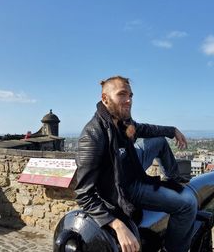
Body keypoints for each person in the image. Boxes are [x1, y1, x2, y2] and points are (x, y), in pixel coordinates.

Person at [75, 76, 197, 252]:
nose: (129, 100)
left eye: (131, 95)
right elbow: (83, 195)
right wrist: (116, 225)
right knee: (187, 204)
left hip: (128, 164)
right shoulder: (92, 135)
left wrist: (172, 130)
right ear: (105, 98)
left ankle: (174, 178)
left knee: (159, 140)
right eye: (122, 95)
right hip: (125, 186)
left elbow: (146, 129)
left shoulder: (122, 120)